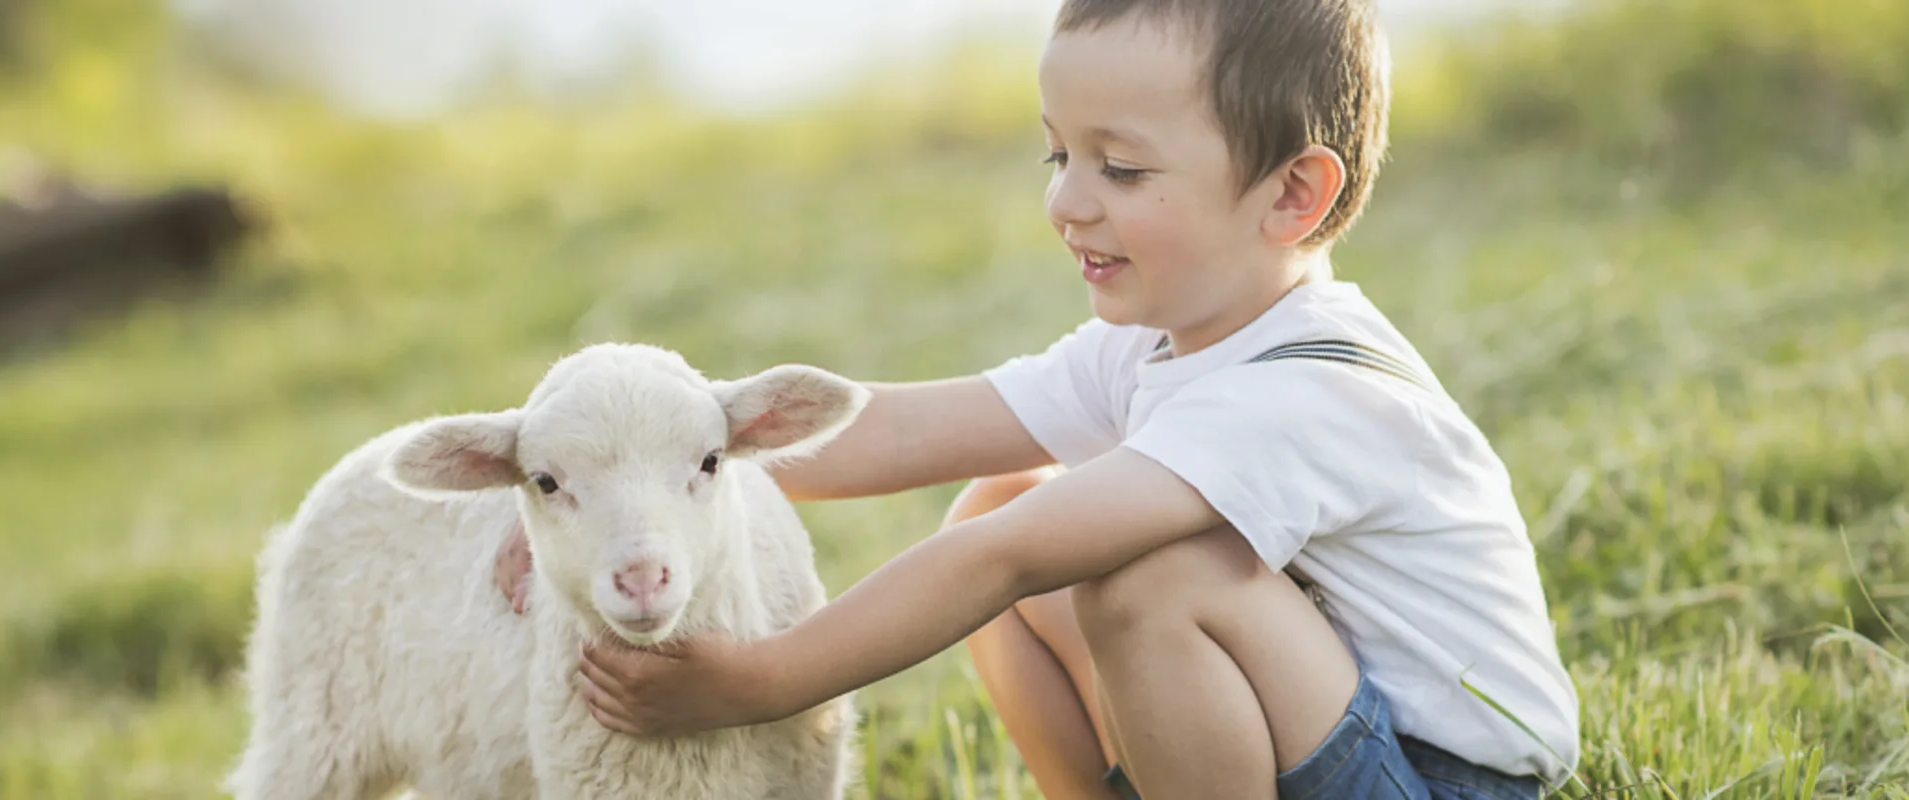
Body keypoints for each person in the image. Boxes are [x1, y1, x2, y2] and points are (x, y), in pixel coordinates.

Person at [494, 1, 1577, 795]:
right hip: (1329, 732)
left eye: (1121, 169)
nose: (1064, 201)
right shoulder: (1169, 339)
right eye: (1059, 152)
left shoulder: (1304, 393)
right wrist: (608, 481)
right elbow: (903, 430)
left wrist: (761, 678)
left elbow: (1004, 560)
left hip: (1445, 779)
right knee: (997, 490)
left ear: (1292, 194)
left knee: (1137, 576)